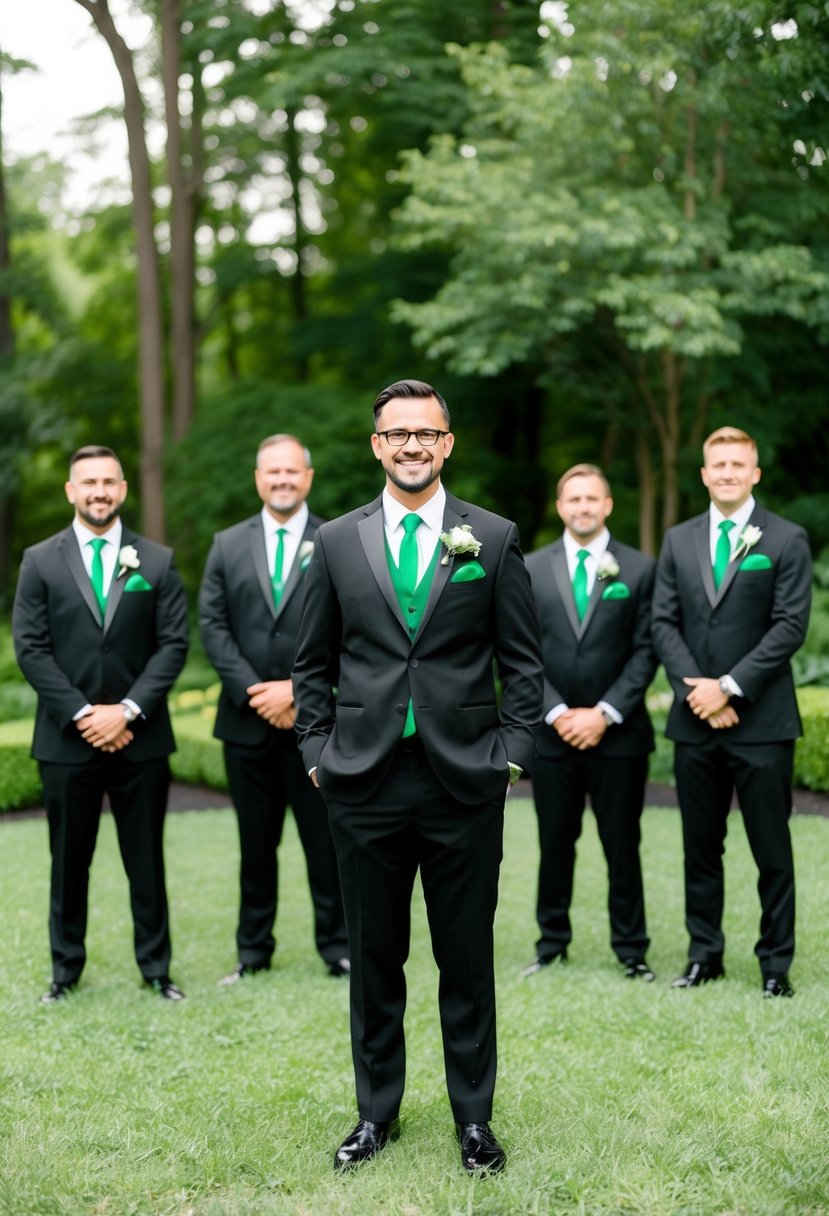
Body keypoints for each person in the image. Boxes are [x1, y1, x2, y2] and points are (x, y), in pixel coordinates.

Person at [292, 379, 543, 1175]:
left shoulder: (492, 538)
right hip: (360, 783)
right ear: (376, 445)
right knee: (373, 958)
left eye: (424, 434)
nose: (410, 446)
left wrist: (508, 756)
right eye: (396, 434)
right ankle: (376, 1114)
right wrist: (317, 753)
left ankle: (473, 1120)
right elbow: (309, 664)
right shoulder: (336, 541)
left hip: (463, 782)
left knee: (464, 957)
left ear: (447, 444)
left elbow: (524, 667)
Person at [12, 445, 189, 1004]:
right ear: (70, 490)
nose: (99, 491)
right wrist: (86, 714)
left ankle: (157, 969)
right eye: (88, 482)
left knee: (146, 860)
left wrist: (128, 710)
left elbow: (173, 645)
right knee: (68, 861)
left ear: (123, 489)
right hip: (68, 740)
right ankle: (65, 972)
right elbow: (32, 649)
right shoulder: (39, 560)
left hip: (141, 738)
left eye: (109, 481)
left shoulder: (156, 561)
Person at [651, 427, 812, 998]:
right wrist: (701, 693)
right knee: (701, 846)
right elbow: (663, 623)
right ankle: (704, 955)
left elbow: (790, 626)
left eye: (737, 464)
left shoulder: (787, 540)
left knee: (771, 847)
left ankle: (775, 964)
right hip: (696, 723)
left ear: (755, 472)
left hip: (763, 722)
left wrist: (730, 686)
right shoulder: (678, 540)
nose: (726, 472)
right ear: (703, 473)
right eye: (717, 463)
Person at [199, 434, 348, 983]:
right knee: (254, 844)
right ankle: (253, 951)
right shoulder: (226, 544)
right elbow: (212, 627)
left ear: (307, 477)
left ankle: (337, 947)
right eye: (272, 472)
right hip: (246, 725)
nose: (282, 480)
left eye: (292, 471)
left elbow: (354, 626)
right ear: (258, 478)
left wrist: (298, 690)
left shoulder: (338, 539)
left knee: (325, 843)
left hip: (318, 724)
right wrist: (255, 692)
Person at [522, 464, 657, 982]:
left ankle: (631, 949)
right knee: (555, 843)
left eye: (592, 498)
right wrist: (556, 712)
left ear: (608, 505)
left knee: (622, 845)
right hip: (552, 736)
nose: (582, 507)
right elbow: (520, 653)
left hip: (619, 735)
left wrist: (603, 713)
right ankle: (551, 943)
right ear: (560, 507)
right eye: (573, 499)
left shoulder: (640, 569)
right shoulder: (529, 568)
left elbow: (647, 650)